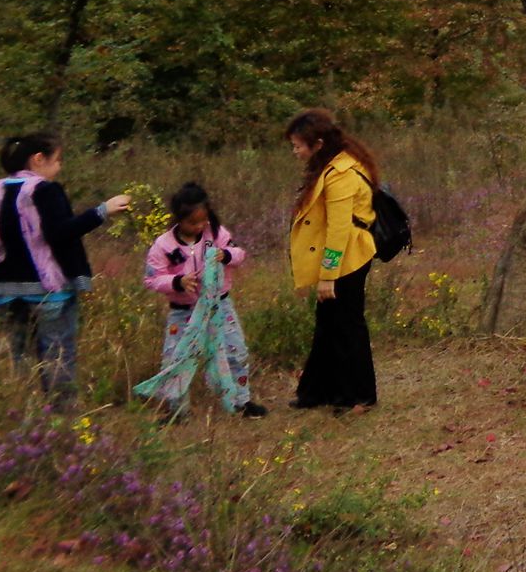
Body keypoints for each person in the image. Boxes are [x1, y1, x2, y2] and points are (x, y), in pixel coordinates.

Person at [0, 132, 132, 407]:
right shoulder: (45, 190)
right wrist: (102, 211)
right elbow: (60, 233)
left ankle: (21, 416)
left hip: (3, 294)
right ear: (38, 159)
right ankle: (62, 423)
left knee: (18, 358)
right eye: (57, 160)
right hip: (50, 293)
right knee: (58, 357)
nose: (59, 167)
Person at [135, 182, 266, 420]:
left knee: (235, 350)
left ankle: (241, 401)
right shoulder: (163, 245)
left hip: (219, 306)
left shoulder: (217, 234)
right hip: (182, 310)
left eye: (202, 221)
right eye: (192, 223)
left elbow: (239, 254)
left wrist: (224, 255)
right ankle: (177, 410)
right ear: (179, 220)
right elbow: (152, 279)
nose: (198, 227)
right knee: (176, 357)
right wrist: (177, 282)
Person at [286, 109, 380, 414]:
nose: (295, 151)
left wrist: (328, 275)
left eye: (299, 145)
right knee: (327, 324)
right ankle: (316, 391)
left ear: (319, 143)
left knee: (347, 326)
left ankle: (358, 396)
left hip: (348, 259)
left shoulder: (340, 173)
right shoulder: (330, 166)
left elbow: (339, 230)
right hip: (341, 257)